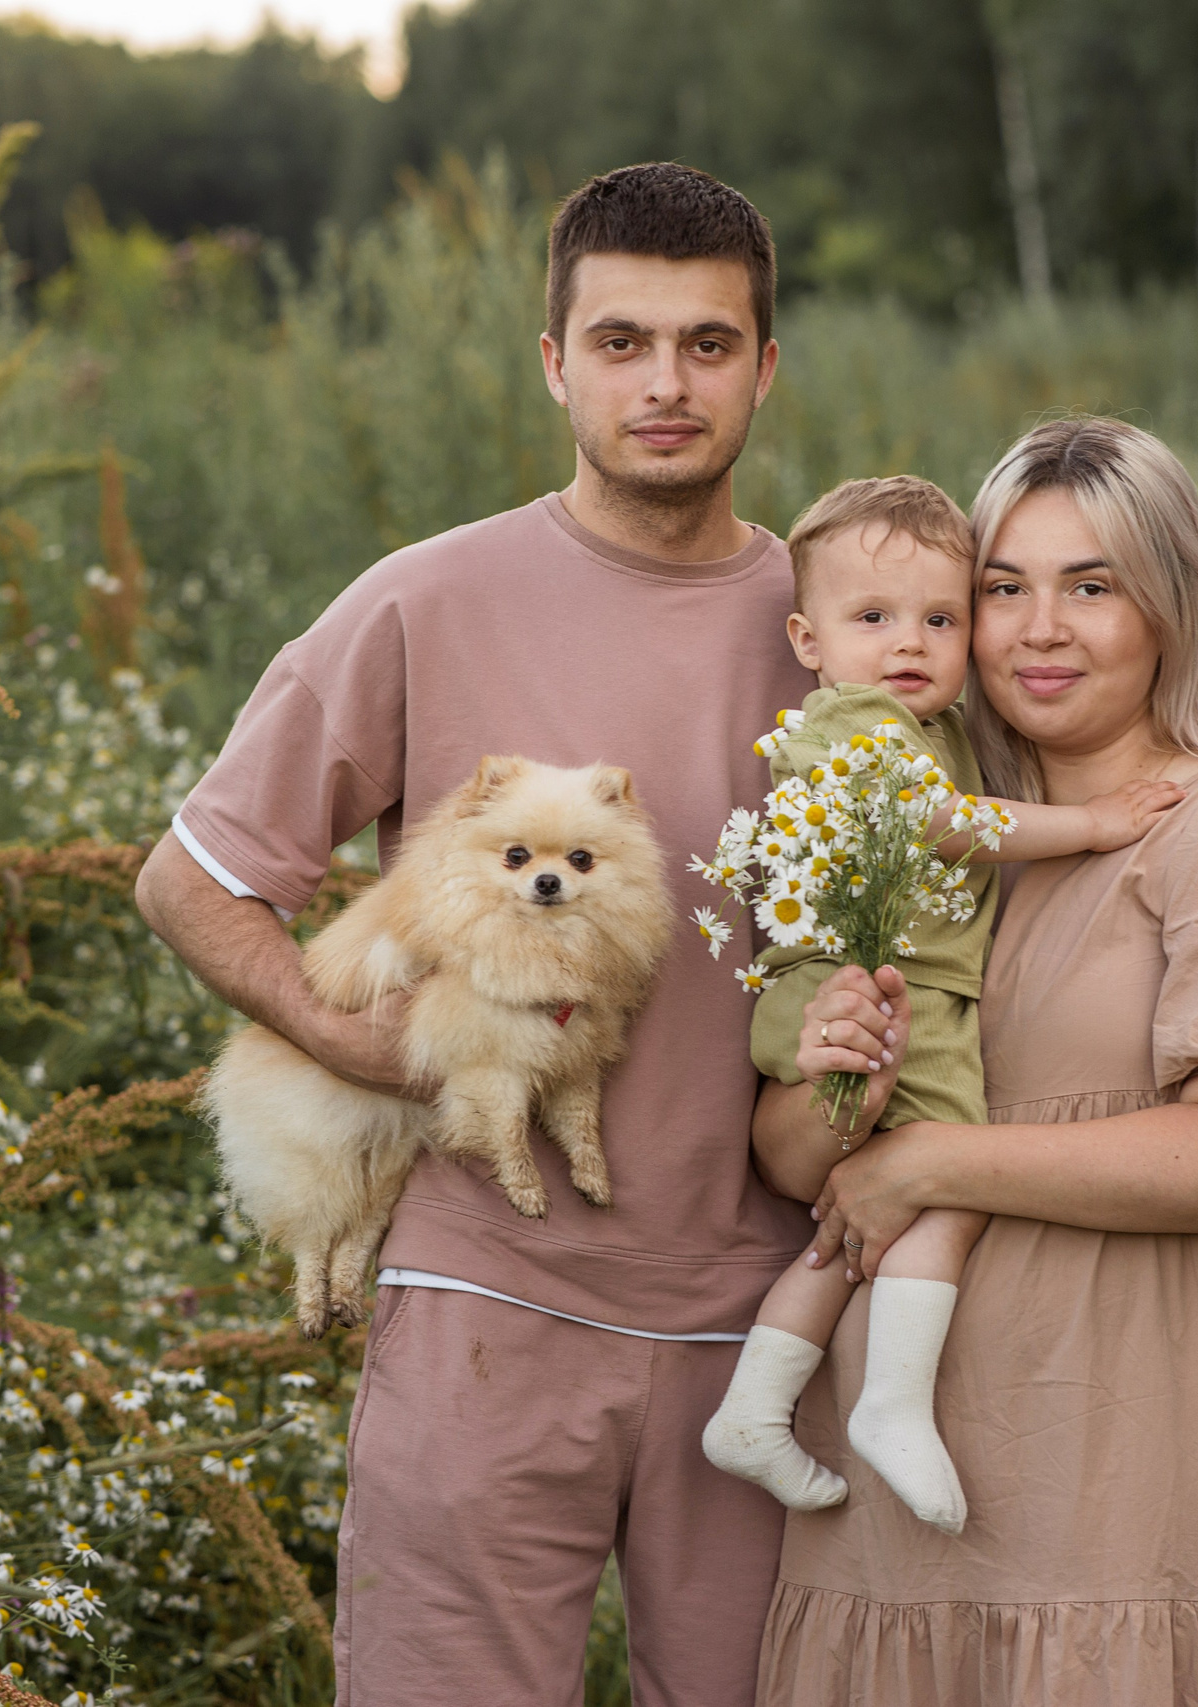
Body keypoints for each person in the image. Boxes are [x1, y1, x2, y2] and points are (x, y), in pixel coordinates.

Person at [133, 163, 814, 1707]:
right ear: (556, 362)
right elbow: (192, 879)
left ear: (765, 367)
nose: (665, 382)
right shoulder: (426, 601)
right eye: (623, 341)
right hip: (487, 1302)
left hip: (771, 1322)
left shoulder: (837, 627)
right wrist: (364, 1042)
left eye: (708, 344)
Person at [751, 416, 1198, 1704]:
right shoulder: (927, 835)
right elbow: (792, 1162)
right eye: (1003, 589)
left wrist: (927, 1160)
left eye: (1091, 587)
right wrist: (840, 1079)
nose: (1039, 630)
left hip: (1127, 1476)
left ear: (1172, 609)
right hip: (892, 1506)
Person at [697, 474, 1182, 1533]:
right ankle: (891, 1402)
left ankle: (755, 1408)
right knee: (956, 1182)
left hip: (896, 991)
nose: (908, 643)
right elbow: (940, 823)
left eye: (940, 619)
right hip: (868, 991)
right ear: (807, 638)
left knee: (860, 1218)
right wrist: (1094, 824)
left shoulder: (939, 726)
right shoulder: (850, 721)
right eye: (872, 618)